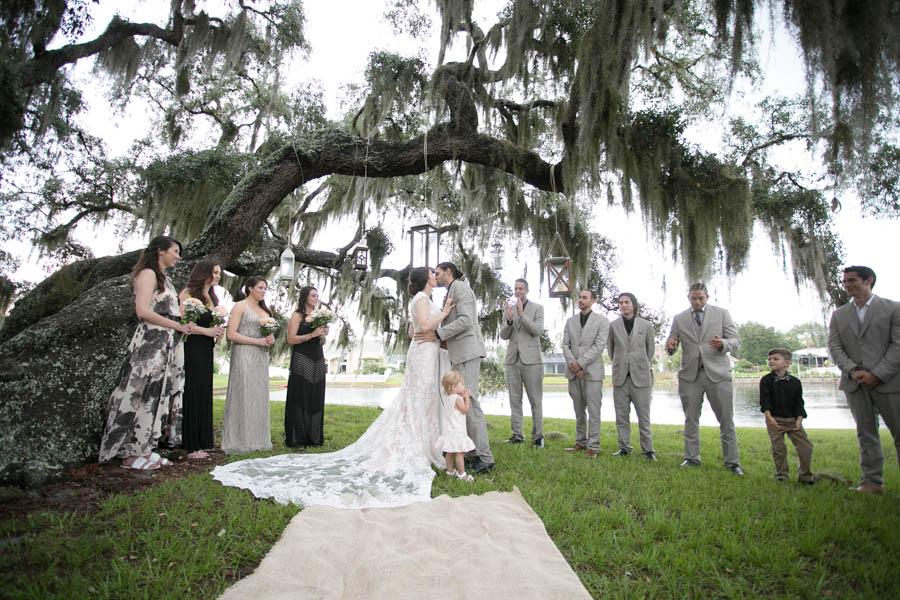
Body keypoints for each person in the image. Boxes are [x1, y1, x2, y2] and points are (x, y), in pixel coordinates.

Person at [211, 267, 452, 508]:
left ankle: (422, 442)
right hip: (417, 355)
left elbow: (412, 331)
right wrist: (445, 314)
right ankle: (416, 446)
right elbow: (420, 326)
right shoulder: (421, 299)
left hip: (411, 354)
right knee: (416, 399)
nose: (435, 275)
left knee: (420, 400)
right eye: (432, 273)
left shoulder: (423, 299)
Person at [99, 236, 194, 470]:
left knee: (156, 396)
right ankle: (128, 454)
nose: (177, 256)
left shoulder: (167, 280)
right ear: (160, 251)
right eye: (175, 251)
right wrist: (177, 326)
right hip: (149, 343)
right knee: (139, 393)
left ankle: (145, 447)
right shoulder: (148, 274)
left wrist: (183, 324)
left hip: (166, 344)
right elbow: (142, 311)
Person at [827, 266, 900, 494]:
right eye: (845, 281)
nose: (846, 285)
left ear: (868, 281)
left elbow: (897, 346)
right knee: (865, 433)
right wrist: (852, 371)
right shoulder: (839, 314)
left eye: (851, 280)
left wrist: (877, 374)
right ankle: (871, 482)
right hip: (854, 383)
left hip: (889, 383)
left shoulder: (893, 309)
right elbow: (835, 346)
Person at [417, 262, 495, 474]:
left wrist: (438, 335)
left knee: (471, 401)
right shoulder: (450, 291)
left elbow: (466, 321)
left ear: (448, 272)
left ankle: (486, 458)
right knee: (460, 402)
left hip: (468, 352)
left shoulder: (460, 287)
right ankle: (470, 453)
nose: (435, 275)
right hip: (458, 352)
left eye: (438, 272)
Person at [666, 283, 743, 475]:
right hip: (690, 376)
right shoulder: (679, 318)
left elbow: (736, 341)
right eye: (694, 298)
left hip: (717, 374)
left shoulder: (722, 314)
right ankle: (692, 458)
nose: (698, 301)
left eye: (701, 298)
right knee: (691, 419)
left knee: (726, 420)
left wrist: (723, 343)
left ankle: (732, 462)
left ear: (707, 297)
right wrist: (671, 346)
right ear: (689, 298)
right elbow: (671, 345)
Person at [221, 276, 275, 454]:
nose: (263, 291)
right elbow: (231, 334)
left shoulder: (264, 311)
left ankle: (258, 438)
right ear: (250, 288)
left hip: (261, 357)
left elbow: (265, 335)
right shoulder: (240, 306)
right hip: (244, 354)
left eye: (265, 288)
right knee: (243, 394)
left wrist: (269, 339)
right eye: (260, 287)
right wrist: (257, 341)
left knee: (258, 395)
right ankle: (240, 439)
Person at [178, 260, 226, 460]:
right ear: (204, 273)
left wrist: (217, 331)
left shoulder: (211, 297)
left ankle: (203, 439)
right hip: (193, 347)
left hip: (207, 348)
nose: (218, 276)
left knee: (204, 392)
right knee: (193, 390)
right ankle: (190, 444)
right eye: (215, 272)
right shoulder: (188, 293)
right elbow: (183, 322)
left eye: (219, 273)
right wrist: (208, 330)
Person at [607, 292, 657, 460]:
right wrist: (622, 364)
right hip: (621, 377)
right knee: (621, 415)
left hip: (641, 377)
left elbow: (650, 350)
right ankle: (624, 447)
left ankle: (648, 450)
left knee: (644, 416)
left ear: (634, 305)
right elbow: (611, 351)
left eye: (627, 302)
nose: (623, 305)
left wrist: (638, 363)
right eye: (621, 302)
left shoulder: (646, 326)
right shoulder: (613, 326)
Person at [562, 289, 609, 458]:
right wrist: (573, 365)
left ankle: (593, 446)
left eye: (584, 298)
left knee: (594, 411)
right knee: (578, 410)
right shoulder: (570, 321)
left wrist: (580, 364)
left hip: (592, 372)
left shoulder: (602, 322)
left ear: (593, 301)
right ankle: (580, 442)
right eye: (579, 297)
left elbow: (599, 346)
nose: (581, 300)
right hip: (573, 373)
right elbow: (565, 345)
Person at [499, 278, 545, 447]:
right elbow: (504, 335)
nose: (518, 291)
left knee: (535, 400)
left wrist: (522, 315)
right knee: (515, 399)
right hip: (512, 359)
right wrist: (510, 320)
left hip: (531, 360)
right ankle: (517, 435)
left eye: (521, 288)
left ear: (527, 290)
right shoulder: (508, 309)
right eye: (515, 288)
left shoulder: (538, 308)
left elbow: (537, 331)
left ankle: (538, 437)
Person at [284, 286, 330, 448]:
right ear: (305, 297)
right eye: (313, 295)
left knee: (315, 395)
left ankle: (314, 436)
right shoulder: (297, 316)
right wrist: (312, 334)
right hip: (301, 358)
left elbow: (320, 339)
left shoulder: (319, 316)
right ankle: (297, 437)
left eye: (317, 296)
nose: (316, 298)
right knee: (301, 395)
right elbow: (291, 339)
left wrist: (322, 335)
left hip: (317, 357)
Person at [760, 348, 813, 484]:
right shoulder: (766, 380)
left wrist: (799, 419)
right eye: (770, 359)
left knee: (805, 446)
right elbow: (764, 401)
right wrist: (768, 417)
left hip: (792, 420)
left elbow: (799, 402)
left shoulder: (795, 382)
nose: (771, 361)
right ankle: (782, 475)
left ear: (786, 363)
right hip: (774, 420)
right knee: (778, 448)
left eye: (775, 359)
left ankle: (805, 475)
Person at [437, 370, 477, 482]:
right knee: (460, 453)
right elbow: (465, 410)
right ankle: (462, 474)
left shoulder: (448, 398)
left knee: (449, 451)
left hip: (449, 430)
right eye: (462, 384)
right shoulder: (458, 399)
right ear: (454, 387)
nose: (464, 386)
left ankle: (450, 470)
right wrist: (467, 397)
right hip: (457, 430)